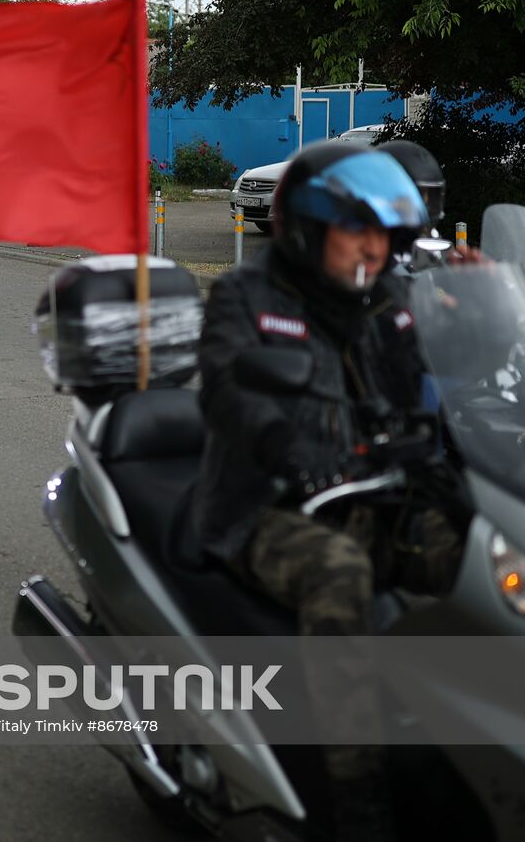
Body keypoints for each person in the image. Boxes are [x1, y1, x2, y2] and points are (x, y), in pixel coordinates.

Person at [195, 141, 468, 841]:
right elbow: (230, 389)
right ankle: (357, 806)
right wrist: (287, 444)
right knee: (339, 576)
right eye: (357, 230)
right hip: (270, 502)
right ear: (310, 230)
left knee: (481, 557)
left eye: (383, 233)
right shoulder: (243, 295)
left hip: (379, 493)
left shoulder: (386, 300)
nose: (373, 248)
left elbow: (440, 371)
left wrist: (482, 318)